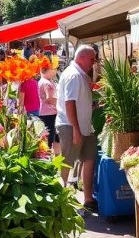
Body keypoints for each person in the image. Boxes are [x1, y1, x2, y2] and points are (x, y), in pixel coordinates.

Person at [56, 45, 99, 211]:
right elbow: (69, 102)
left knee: (89, 158)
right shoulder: (73, 75)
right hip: (71, 126)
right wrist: (75, 129)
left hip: (84, 126)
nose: (93, 63)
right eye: (91, 59)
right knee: (67, 161)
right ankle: (60, 199)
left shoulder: (80, 74)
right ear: (81, 58)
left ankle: (88, 199)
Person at [38, 67, 60, 155]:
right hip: (50, 112)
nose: (55, 71)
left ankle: (49, 154)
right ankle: (49, 155)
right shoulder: (47, 83)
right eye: (54, 69)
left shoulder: (42, 81)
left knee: (47, 135)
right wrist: (59, 105)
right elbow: (50, 99)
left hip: (44, 111)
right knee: (50, 136)